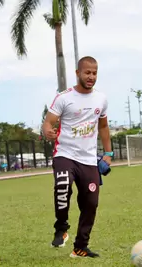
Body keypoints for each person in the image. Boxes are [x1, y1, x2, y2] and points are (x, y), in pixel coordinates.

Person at [42, 56, 113, 258]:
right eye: (87, 72)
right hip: (64, 153)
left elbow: (104, 126)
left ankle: (80, 247)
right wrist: (47, 131)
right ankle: (61, 227)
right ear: (78, 73)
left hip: (89, 159)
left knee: (90, 204)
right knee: (63, 184)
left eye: (94, 73)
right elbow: (48, 123)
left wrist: (108, 153)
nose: (91, 77)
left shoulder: (101, 99)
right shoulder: (64, 98)